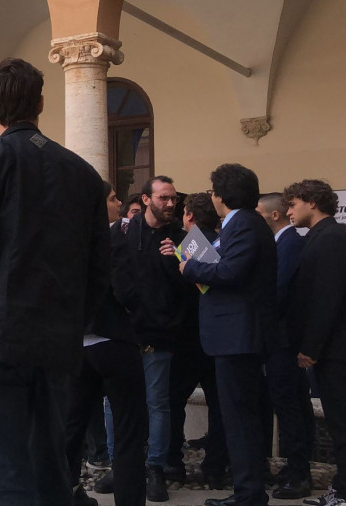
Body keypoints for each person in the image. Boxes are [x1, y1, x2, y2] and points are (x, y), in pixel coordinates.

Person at [0, 58, 110, 505]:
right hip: (55, 342)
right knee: (49, 470)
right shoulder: (84, 175)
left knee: (9, 475)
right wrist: (73, 323)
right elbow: (99, 267)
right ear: (42, 102)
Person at [181, 163, 278, 506]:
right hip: (232, 334)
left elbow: (231, 271)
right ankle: (246, 489)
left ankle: (249, 493)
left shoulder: (246, 224)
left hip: (238, 336)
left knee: (240, 417)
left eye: (212, 191)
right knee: (238, 415)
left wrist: (188, 266)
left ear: (221, 195)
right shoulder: (238, 224)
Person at [66, 182, 148, 506]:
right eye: (113, 198)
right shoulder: (115, 237)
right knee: (129, 431)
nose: (117, 204)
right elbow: (127, 292)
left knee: (72, 428)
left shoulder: (68, 242)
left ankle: (67, 493)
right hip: (113, 340)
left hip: (78, 344)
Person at [284, 179, 346, 506]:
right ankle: (343, 489)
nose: (288, 210)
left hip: (340, 350)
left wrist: (310, 347)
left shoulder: (334, 238)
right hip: (335, 349)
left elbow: (325, 298)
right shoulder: (323, 237)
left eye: (293, 203)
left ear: (312, 202)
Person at [122, 175, 187, 502]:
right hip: (125, 335)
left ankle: (155, 467)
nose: (170, 204)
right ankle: (121, 464)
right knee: (116, 404)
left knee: (158, 403)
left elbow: (202, 287)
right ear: (146, 199)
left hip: (163, 335)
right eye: (163, 198)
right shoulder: (123, 232)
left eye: (173, 198)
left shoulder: (184, 238)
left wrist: (176, 263)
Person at [162, 191, 228, 489]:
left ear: (189, 216)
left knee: (172, 403)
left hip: (186, 341)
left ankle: (172, 463)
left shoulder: (181, 247)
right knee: (221, 406)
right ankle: (215, 467)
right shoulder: (231, 244)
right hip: (219, 341)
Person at [255, 192, 313, 499]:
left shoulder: (290, 244)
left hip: (284, 341)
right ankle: (295, 466)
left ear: (272, 216)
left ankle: (299, 471)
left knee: (289, 404)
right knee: (289, 403)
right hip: (279, 339)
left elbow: (278, 289)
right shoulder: (283, 243)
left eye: (258, 213)